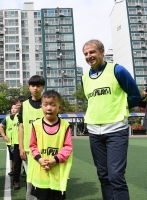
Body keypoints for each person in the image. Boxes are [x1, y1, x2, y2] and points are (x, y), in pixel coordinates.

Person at [82, 39, 141, 200]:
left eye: (92, 52)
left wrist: (121, 107)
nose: (89, 56)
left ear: (102, 52)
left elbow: (135, 95)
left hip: (116, 130)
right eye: (86, 54)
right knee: (103, 175)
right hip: (94, 131)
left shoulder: (118, 70)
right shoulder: (84, 77)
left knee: (115, 176)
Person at [28, 90, 73, 200]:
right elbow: (32, 146)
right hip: (41, 174)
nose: (49, 108)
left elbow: (68, 147)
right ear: (41, 107)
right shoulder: (36, 125)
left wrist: (55, 159)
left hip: (57, 175)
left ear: (59, 108)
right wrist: (39, 159)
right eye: (46, 104)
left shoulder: (65, 125)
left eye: (53, 105)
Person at [18, 75, 45, 200]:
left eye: (38, 86)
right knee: (31, 178)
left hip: (45, 148)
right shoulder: (24, 105)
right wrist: (21, 147)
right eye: (33, 86)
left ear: (43, 87)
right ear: (29, 87)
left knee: (44, 177)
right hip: (29, 150)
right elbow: (21, 127)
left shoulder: (47, 103)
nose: (35, 88)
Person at [0, 104, 19, 177]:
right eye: (12, 108)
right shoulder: (7, 118)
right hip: (10, 142)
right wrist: (4, 136)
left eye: (15, 108)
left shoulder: (20, 117)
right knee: (13, 158)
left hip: (19, 142)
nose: (13, 109)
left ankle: (20, 172)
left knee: (19, 158)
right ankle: (13, 170)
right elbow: (1, 126)